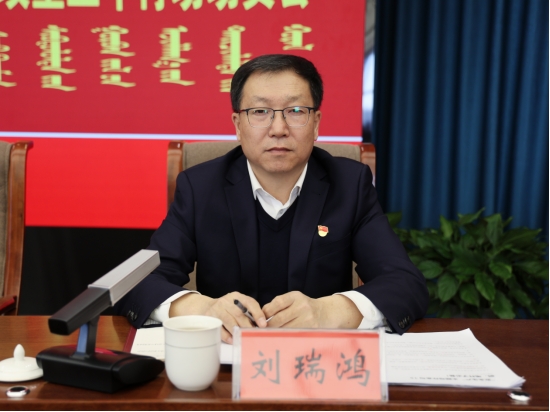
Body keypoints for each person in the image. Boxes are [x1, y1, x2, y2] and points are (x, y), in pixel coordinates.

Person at [115, 54, 428, 343]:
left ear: (316, 123)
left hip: (319, 366)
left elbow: (405, 283)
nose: (278, 129)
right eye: (260, 112)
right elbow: (136, 283)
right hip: (227, 366)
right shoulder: (200, 188)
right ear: (238, 125)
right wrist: (202, 309)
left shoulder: (349, 185)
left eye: (296, 111)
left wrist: (329, 312)